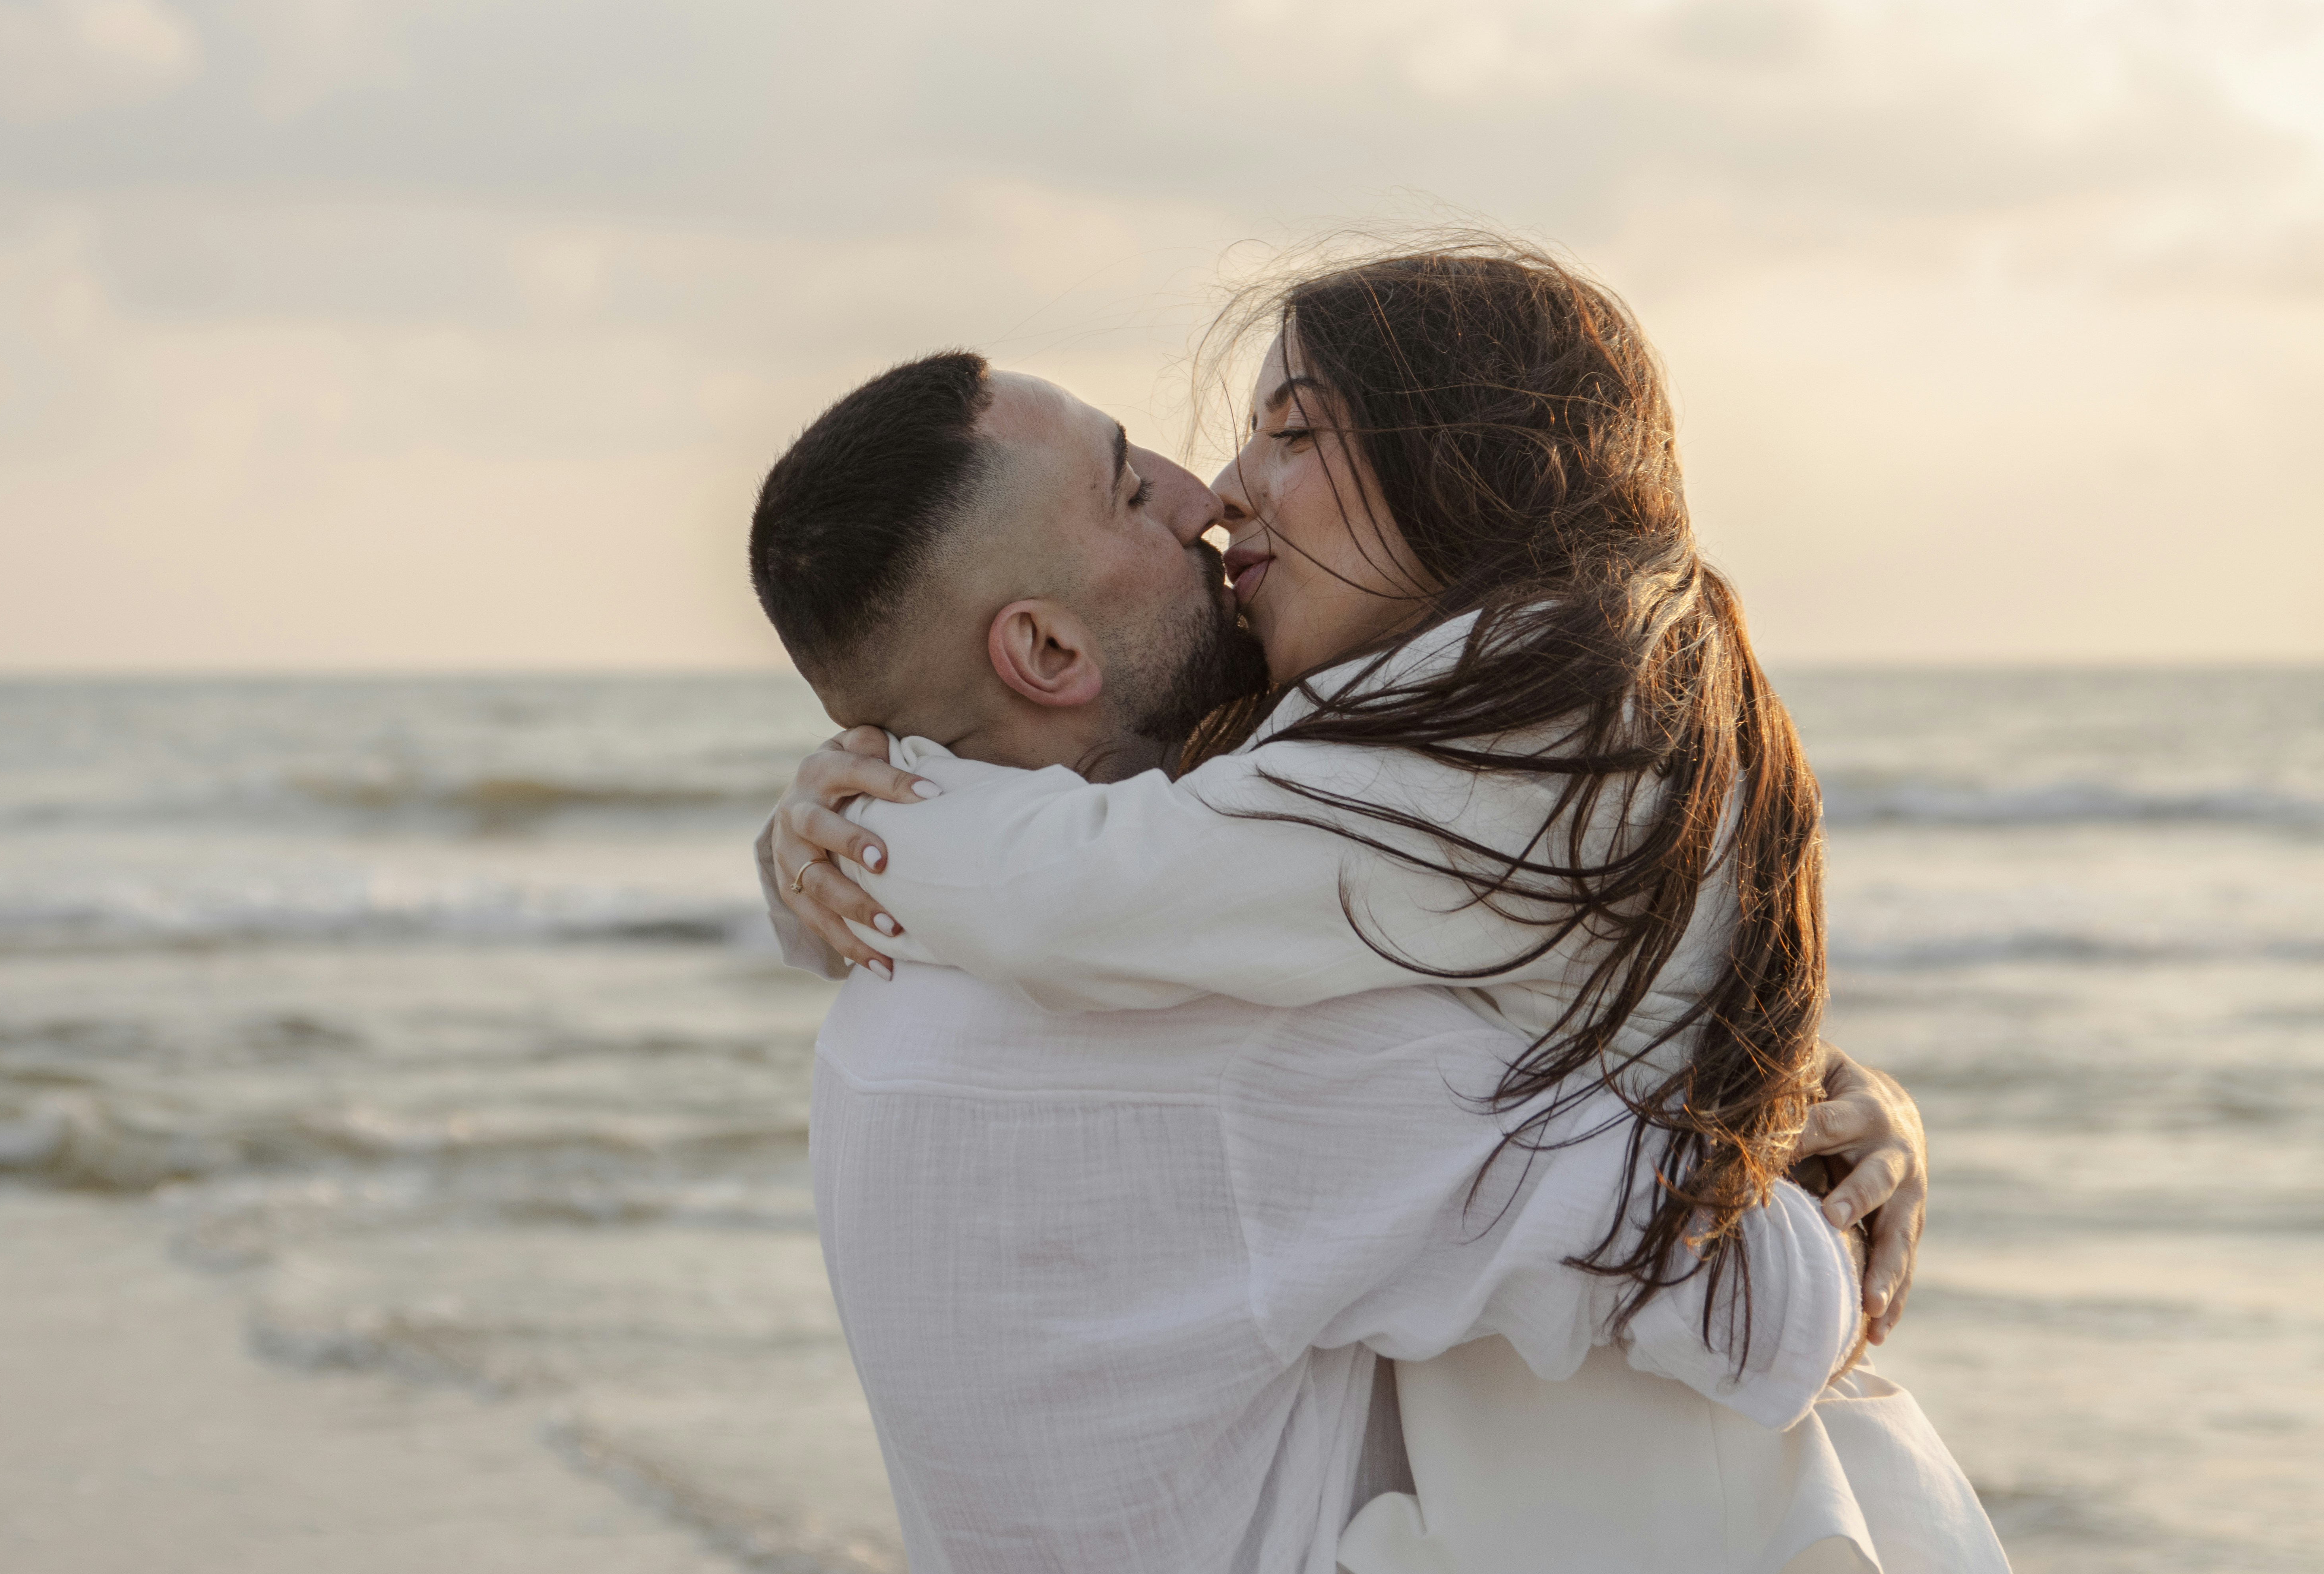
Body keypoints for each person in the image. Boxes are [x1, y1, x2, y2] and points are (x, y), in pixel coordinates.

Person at [762, 240, 2003, 1572]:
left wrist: (840, 831)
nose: (1214, 495)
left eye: (1289, 434)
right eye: (1136, 488)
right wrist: (1818, 1187)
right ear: (1046, 648)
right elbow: (1752, 1301)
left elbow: (1120, 884)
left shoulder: (884, 1018)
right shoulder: (1260, 1024)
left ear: (1470, 471)